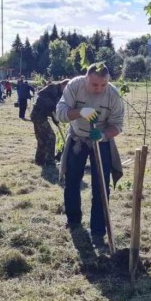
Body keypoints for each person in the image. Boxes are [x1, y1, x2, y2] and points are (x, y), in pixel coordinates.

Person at [56, 63, 124, 248]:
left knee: (101, 186)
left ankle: (98, 230)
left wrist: (103, 135)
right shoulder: (74, 86)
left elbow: (117, 125)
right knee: (72, 181)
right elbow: (60, 113)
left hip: (100, 141)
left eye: (103, 85)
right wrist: (80, 112)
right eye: (94, 85)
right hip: (77, 138)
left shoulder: (113, 95)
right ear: (86, 78)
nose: (99, 89)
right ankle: (74, 221)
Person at [30, 79, 70, 166]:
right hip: (39, 115)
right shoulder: (53, 88)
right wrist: (53, 109)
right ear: (63, 85)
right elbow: (42, 97)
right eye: (67, 88)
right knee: (51, 137)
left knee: (42, 139)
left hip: (40, 115)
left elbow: (53, 109)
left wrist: (55, 119)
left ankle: (39, 160)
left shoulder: (58, 92)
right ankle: (50, 161)